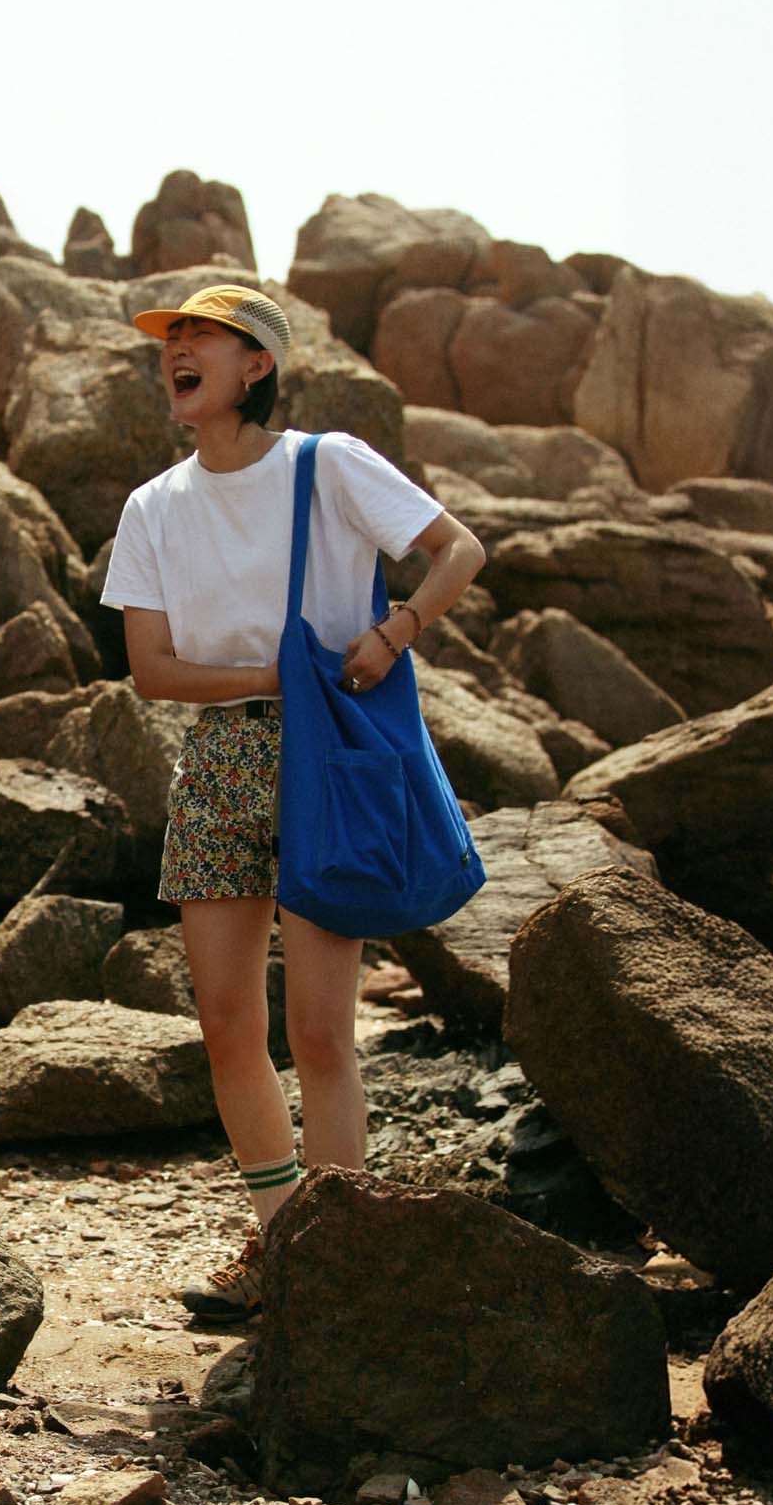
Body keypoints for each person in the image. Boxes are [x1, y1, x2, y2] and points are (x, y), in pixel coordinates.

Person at [100, 284, 485, 1320]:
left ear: (256, 364)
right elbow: (152, 671)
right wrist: (276, 675)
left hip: (330, 754)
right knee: (228, 1024)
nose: (176, 352)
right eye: (170, 340)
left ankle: (336, 1252)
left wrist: (391, 633)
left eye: (200, 337)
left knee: (319, 1030)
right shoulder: (153, 507)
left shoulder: (329, 465)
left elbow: (458, 549)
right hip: (220, 756)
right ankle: (283, 1246)